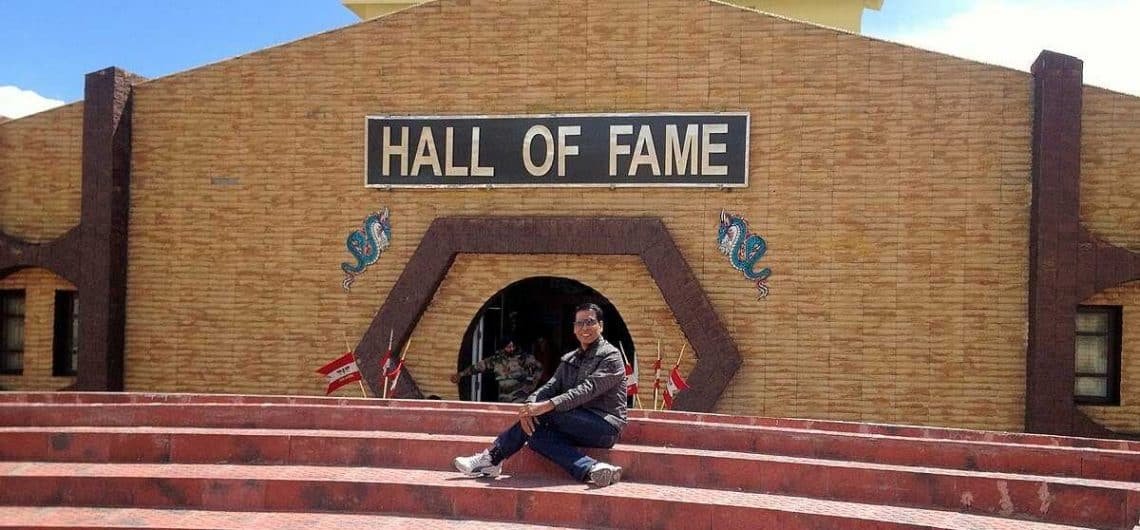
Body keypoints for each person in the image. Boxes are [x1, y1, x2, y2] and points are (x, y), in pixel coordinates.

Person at [452, 303, 628, 487]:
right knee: (534, 436)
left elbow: (586, 389)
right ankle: (591, 468)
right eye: (579, 323)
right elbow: (550, 386)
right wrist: (529, 406)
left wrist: (546, 406)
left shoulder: (611, 357)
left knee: (544, 414)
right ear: (574, 328)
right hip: (574, 423)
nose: (584, 328)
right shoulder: (570, 359)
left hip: (604, 426)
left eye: (590, 322)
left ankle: (492, 457)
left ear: (601, 325)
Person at [449, 338, 543, 403]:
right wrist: (461, 374)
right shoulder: (496, 360)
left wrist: (531, 385)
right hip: (504, 397)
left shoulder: (523, 358)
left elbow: (539, 368)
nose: (511, 349)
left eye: (512, 347)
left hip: (520, 397)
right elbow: (478, 367)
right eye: (508, 347)